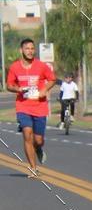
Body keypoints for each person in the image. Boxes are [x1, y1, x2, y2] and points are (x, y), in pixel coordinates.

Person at [6, 37, 56, 176]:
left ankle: (38, 148)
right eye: (27, 48)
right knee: (27, 134)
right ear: (21, 50)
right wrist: (18, 89)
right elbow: (9, 85)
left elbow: (52, 79)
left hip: (40, 107)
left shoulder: (41, 66)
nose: (30, 51)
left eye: (32, 48)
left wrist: (44, 89)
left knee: (38, 140)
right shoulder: (15, 67)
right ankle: (33, 168)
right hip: (23, 106)